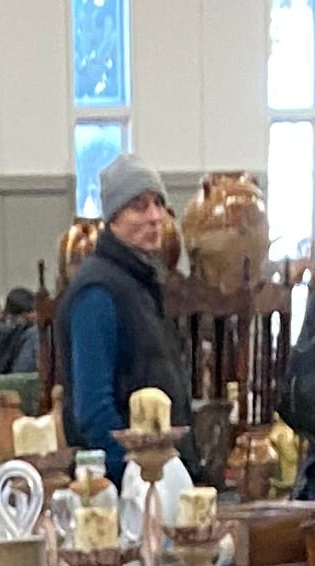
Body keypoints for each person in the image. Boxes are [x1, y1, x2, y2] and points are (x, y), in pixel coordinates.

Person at [55, 157, 190, 481]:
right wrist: (135, 474)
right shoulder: (97, 292)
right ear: (113, 217)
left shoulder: (141, 285)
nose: (155, 217)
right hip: (124, 488)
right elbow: (93, 408)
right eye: (139, 207)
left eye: (158, 203)